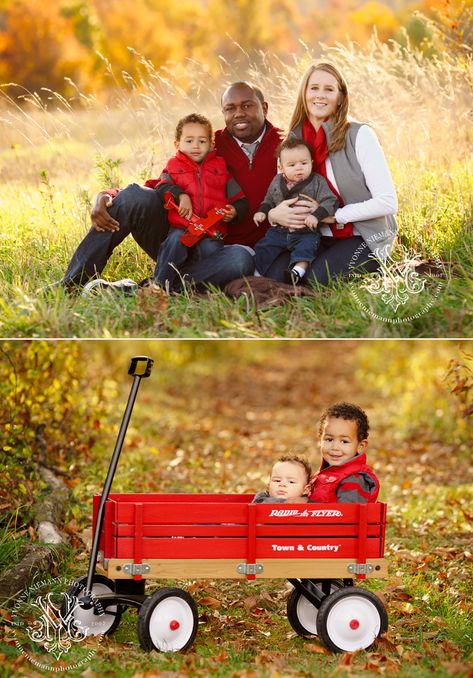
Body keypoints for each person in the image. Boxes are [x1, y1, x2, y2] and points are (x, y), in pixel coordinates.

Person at [60, 82, 281, 292]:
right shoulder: (207, 143)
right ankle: (71, 283)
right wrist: (107, 195)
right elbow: (162, 183)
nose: (238, 113)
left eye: (247, 105)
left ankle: (149, 288)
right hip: (180, 236)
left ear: (264, 108)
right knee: (134, 196)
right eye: (230, 108)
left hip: (221, 250)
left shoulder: (287, 146)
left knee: (239, 261)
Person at [264, 62, 398, 286]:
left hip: (361, 235)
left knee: (315, 279)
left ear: (341, 97)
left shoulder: (359, 135)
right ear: (304, 94)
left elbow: (387, 202)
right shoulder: (294, 142)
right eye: (314, 88)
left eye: (329, 89)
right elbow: (281, 192)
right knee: (276, 276)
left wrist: (333, 216)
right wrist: (274, 215)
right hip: (311, 235)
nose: (320, 95)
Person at [153, 113, 248, 290]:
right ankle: (158, 286)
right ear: (177, 144)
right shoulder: (173, 166)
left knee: (212, 251)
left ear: (211, 144)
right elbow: (161, 187)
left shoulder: (221, 168)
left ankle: (190, 287)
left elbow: (240, 200)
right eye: (189, 141)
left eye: (202, 141)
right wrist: (181, 195)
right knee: (174, 242)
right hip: (183, 227)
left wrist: (234, 212)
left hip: (211, 231)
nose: (195, 146)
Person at [253, 137, 338, 285]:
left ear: (311, 163)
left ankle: (298, 271)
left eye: (304, 163)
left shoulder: (317, 181)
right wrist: (262, 212)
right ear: (281, 167)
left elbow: (331, 200)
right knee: (264, 247)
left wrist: (317, 216)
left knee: (307, 248)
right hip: (279, 230)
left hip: (305, 231)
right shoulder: (277, 181)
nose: (299, 168)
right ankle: (257, 274)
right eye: (291, 165)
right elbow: (269, 200)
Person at [310, 402, 379, 503]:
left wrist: (306, 506)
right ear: (320, 440)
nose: (335, 447)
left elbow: (347, 515)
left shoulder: (354, 480)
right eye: (329, 439)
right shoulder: (324, 473)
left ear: (360, 446)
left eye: (344, 441)